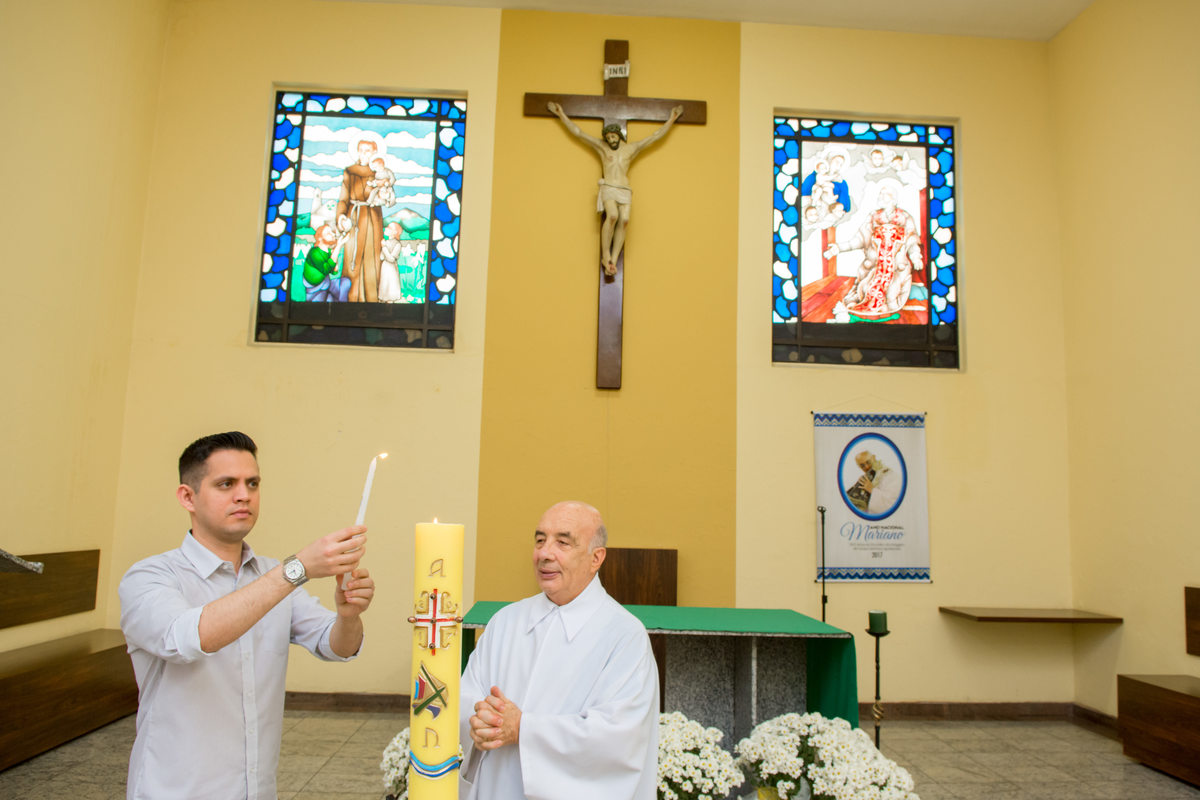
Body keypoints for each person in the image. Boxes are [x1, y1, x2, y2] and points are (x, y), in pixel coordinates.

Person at [119, 431, 375, 800]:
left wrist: (348, 615)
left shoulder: (271, 575)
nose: (244, 495)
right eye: (226, 484)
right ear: (187, 497)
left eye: (252, 483)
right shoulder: (150, 577)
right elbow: (191, 637)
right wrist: (298, 567)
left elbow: (337, 647)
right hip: (176, 789)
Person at [459, 501, 659, 800]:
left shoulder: (624, 635)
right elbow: (469, 694)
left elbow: (617, 737)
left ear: (596, 558)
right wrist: (479, 719)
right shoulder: (506, 622)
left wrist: (523, 728)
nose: (544, 553)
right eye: (540, 541)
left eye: (562, 542)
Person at [547, 101, 684, 276]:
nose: (611, 140)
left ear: (619, 136)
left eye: (614, 137)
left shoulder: (631, 149)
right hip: (609, 187)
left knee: (624, 220)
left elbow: (655, 136)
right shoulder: (602, 147)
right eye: (609, 137)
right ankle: (605, 255)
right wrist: (561, 114)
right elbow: (579, 133)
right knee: (612, 216)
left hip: (624, 188)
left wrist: (672, 118)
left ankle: (613, 258)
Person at [824, 180, 922, 317]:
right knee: (865, 289)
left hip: (895, 267)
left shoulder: (905, 217)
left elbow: (912, 239)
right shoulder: (873, 217)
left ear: (894, 199)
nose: (880, 197)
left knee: (891, 294)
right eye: (880, 194)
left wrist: (915, 256)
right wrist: (839, 248)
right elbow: (860, 238)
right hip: (875, 267)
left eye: (884, 194)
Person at [336, 138, 387, 302]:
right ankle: (350, 299)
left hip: (372, 218)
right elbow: (343, 197)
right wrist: (341, 216)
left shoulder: (379, 173)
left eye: (368, 150)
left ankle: (373, 301)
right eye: (361, 150)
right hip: (355, 217)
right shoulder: (350, 171)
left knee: (372, 258)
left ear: (374, 152)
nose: (364, 153)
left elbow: (385, 192)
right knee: (353, 257)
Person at [302, 223, 351, 302]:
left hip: (326, 283)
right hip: (315, 290)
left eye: (332, 232)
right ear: (320, 238)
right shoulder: (314, 253)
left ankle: (342, 307)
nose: (333, 234)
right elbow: (326, 269)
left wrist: (335, 252)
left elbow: (334, 272)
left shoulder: (328, 252)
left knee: (345, 283)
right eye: (328, 233)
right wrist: (339, 246)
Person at [851, 450, 901, 515]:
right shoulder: (867, 478)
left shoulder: (889, 475)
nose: (866, 467)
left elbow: (892, 504)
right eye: (862, 465)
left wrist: (872, 489)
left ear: (874, 458)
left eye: (868, 462)